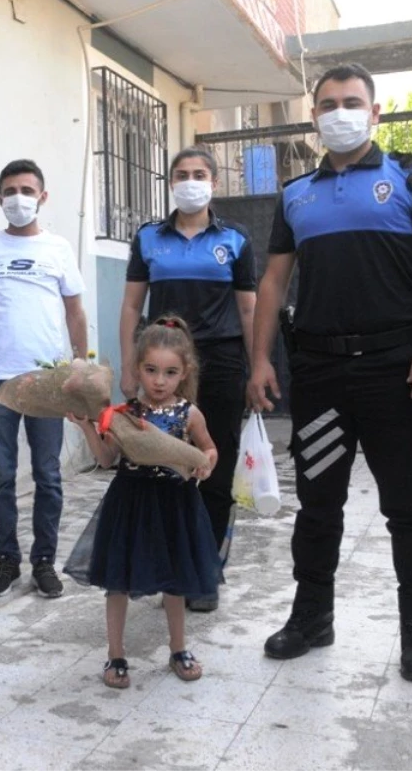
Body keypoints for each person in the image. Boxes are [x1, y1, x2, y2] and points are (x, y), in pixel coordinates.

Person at [247, 63, 412, 682]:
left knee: (407, 506)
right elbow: (273, 280)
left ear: (375, 112)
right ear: (314, 116)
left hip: (396, 370)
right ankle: (312, 615)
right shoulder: (294, 195)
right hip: (319, 373)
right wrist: (260, 359)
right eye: (329, 103)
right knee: (318, 504)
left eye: (352, 101)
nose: (340, 111)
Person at [120, 147, 256, 613]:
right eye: (182, 174)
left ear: (214, 182)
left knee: (212, 470)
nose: (190, 181)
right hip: (162, 368)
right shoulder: (147, 239)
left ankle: (205, 574)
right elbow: (132, 307)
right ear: (170, 182)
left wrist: (258, 368)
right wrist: (127, 365)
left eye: (199, 174)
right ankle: (169, 568)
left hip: (220, 365)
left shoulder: (236, 240)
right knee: (163, 474)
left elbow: (248, 309)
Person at [65, 316, 220, 688]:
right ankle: (115, 655)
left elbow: (210, 449)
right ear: (137, 369)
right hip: (130, 504)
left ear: (184, 373)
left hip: (175, 505)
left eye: (170, 372)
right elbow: (105, 459)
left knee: (176, 581)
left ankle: (178, 648)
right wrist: (87, 424)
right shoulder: (124, 415)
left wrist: (205, 465)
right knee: (117, 581)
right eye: (151, 370)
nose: (159, 381)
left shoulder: (189, 413)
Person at [0, 159, 88, 599]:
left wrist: (80, 369)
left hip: (48, 381)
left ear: (43, 196)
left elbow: (75, 312)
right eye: (10, 190)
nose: (19, 198)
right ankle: (7, 560)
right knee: (1, 476)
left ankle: (44, 562)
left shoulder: (58, 249)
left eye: (27, 189)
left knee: (48, 475)